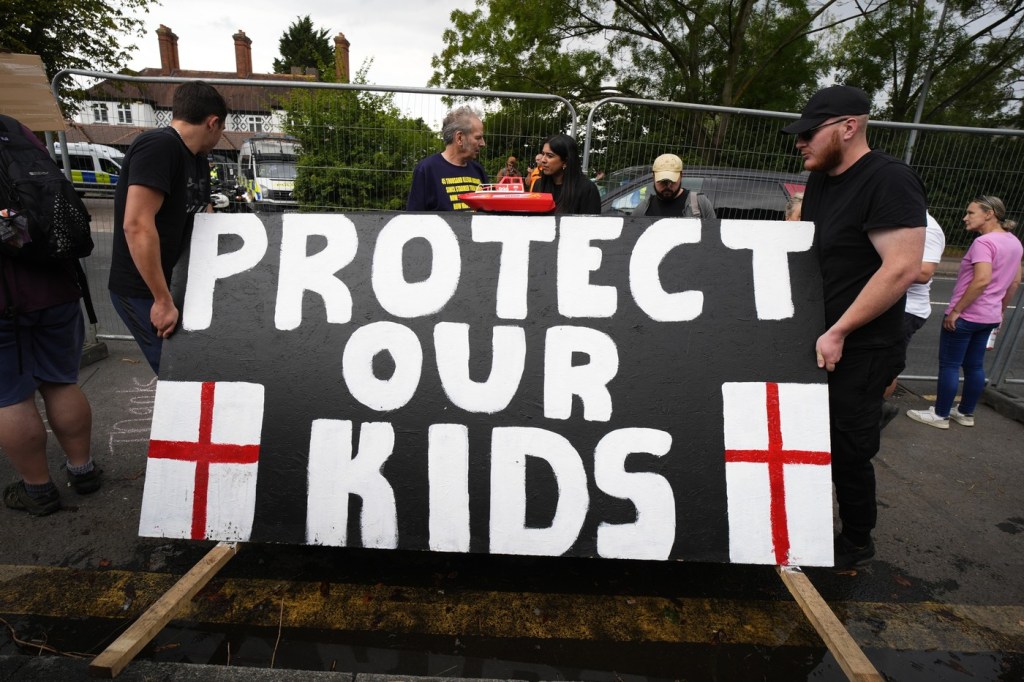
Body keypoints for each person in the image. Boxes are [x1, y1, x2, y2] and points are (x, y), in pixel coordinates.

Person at [781, 85, 926, 569]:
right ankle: (803, 522)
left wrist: (840, 330)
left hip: (862, 345)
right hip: (820, 336)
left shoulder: (889, 180)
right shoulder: (822, 180)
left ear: (848, 127)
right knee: (809, 434)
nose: (800, 142)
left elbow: (901, 268)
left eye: (809, 132)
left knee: (848, 446)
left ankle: (858, 539)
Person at [1, 117, 101, 516]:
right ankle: (83, 470)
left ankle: (38, 489)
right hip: (56, 282)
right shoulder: (16, 131)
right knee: (61, 381)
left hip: (4, 298)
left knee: (11, 396)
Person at [108, 80, 227, 374]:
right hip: (143, 290)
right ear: (213, 122)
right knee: (178, 375)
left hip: (173, 285)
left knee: (194, 370)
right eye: (222, 128)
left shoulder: (197, 158)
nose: (220, 136)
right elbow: (137, 224)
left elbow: (203, 213)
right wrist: (162, 300)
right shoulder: (159, 146)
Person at [907, 197, 1022, 429]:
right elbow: (1014, 282)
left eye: (970, 213)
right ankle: (965, 412)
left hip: (967, 315)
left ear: (989, 214)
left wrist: (957, 310)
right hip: (989, 316)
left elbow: (981, 280)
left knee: (949, 365)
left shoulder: (983, 243)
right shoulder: (1014, 242)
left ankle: (940, 415)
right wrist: (999, 310)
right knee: (975, 366)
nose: (965, 218)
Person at [879, 213, 946, 428]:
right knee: (877, 363)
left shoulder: (929, 227)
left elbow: (925, 272)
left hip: (907, 310)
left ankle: (876, 412)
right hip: (889, 305)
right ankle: (871, 412)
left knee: (885, 365)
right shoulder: (899, 221)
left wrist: (878, 267)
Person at [406, 106, 487, 212]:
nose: (483, 144)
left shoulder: (478, 170)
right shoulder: (427, 169)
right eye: (478, 138)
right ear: (459, 138)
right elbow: (414, 217)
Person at [532, 134, 602, 215]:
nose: (543, 160)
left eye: (549, 156)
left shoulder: (587, 189)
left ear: (565, 161)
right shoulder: (539, 184)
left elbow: (590, 222)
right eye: (543, 154)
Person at [633, 154, 716, 218]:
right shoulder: (642, 210)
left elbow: (713, 234)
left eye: (672, 180)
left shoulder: (700, 204)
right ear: (654, 177)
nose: (667, 185)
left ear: (681, 176)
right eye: (662, 181)